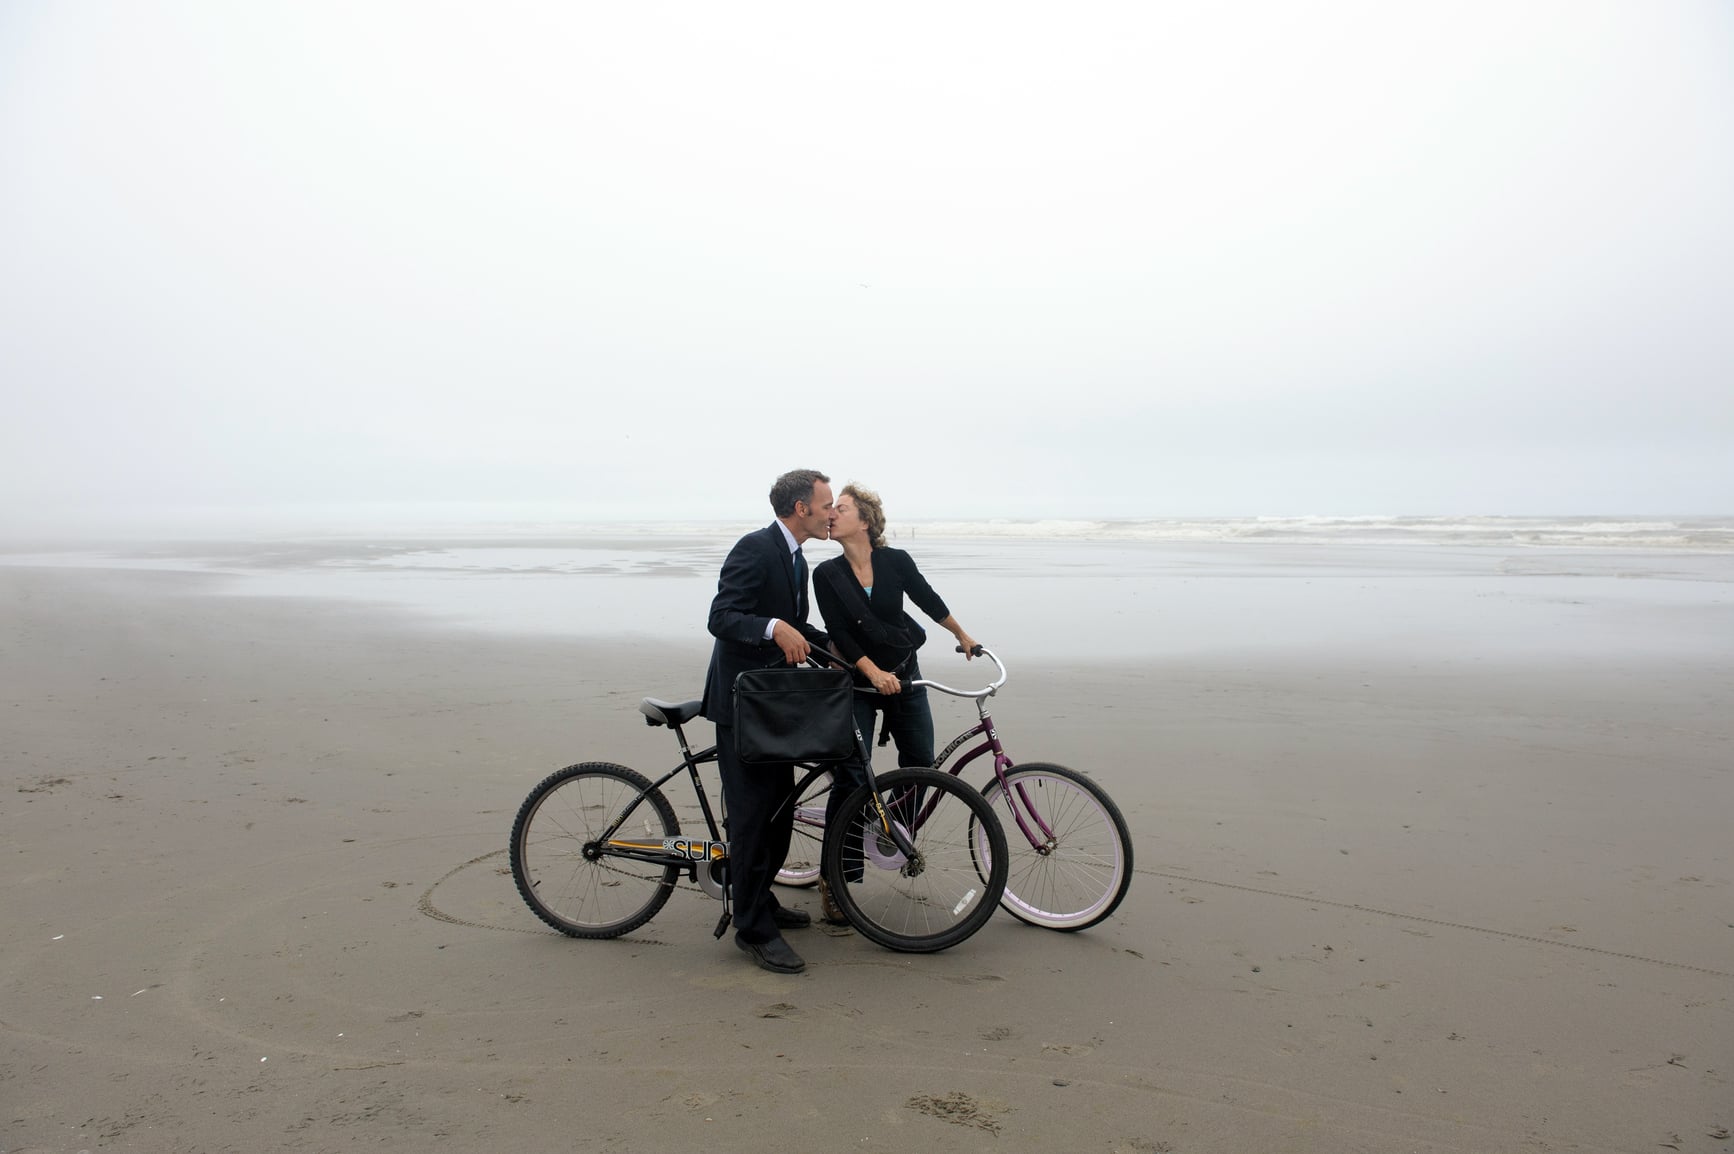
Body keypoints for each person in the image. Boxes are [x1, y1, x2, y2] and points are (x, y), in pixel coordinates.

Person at [813, 483, 980, 921]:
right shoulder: (826, 575)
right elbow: (841, 634)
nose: (831, 514)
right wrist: (870, 672)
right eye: (830, 509)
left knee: (922, 760)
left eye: (841, 508)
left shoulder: (895, 561)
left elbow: (927, 599)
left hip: (904, 672)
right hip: (860, 681)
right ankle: (835, 878)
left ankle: (881, 823)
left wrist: (961, 634)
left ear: (864, 521)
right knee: (851, 776)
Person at [700, 468, 834, 974]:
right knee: (754, 820)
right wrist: (773, 627)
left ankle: (763, 899)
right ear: (801, 508)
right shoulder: (755, 547)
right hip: (741, 707)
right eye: (825, 506)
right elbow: (722, 617)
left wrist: (840, 649)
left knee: (779, 813)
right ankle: (752, 928)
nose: (830, 514)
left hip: (772, 707)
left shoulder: (796, 560)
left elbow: (797, 625)